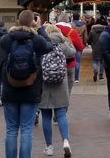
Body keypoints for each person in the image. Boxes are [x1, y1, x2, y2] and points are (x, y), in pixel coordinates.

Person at [1, 10, 53, 158]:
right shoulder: (36, 40)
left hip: (10, 89)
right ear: (33, 22)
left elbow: (1, 49)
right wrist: (40, 28)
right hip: (31, 88)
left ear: (18, 21)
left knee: (11, 129)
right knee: (26, 130)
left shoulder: (7, 39)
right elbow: (49, 45)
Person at [39, 24, 74, 157]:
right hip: (60, 83)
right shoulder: (63, 44)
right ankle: (65, 141)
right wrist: (64, 38)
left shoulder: (42, 45)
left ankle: (49, 147)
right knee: (61, 114)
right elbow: (73, 51)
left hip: (45, 83)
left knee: (46, 116)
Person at [57, 13, 84, 93]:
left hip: (54, 63)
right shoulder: (71, 32)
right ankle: (64, 104)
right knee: (68, 86)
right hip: (69, 63)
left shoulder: (50, 30)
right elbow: (80, 47)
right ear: (68, 21)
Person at [87, 17, 107, 81]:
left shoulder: (92, 31)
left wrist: (90, 44)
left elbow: (89, 39)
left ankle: (95, 71)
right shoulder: (105, 31)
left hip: (95, 47)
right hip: (103, 47)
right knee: (102, 63)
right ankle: (101, 76)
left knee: (95, 61)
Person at [71, 13, 87, 83]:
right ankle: (76, 78)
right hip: (79, 43)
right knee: (77, 61)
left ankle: (70, 76)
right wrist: (84, 44)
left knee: (70, 60)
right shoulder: (83, 25)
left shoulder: (71, 25)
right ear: (79, 18)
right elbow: (85, 37)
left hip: (71, 43)